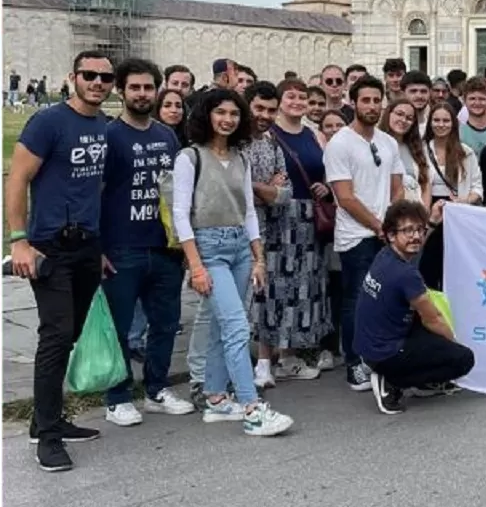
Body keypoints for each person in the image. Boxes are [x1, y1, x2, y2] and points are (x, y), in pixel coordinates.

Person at [5, 51, 113, 472]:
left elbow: (94, 189)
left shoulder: (102, 126)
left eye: (105, 77)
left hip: (88, 245)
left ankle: (44, 419)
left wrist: (99, 247)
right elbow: (18, 178)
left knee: (70, 335)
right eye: (90, 75)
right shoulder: (49, 122)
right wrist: (19, 241)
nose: (98, 82)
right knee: (55, 335)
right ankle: (47, 438)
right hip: (50, 246)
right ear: (73, 77)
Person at [172, 88, 293, 436]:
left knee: (220, 326)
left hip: (240, 245)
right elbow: (181, 215)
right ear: (206, 115)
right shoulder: (189, 158)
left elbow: (248, 212)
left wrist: (259, 257)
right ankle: (252, 407)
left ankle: (215, 398)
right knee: (238, 327)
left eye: (234, 114)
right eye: (220, 112)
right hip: (208, 247)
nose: (227, 119)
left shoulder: (242, 157)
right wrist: (195, 265)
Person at [100, 58, 193, 427]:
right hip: (122, 246)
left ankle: (156, 388)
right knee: (121, 328)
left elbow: (177, 195)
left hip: (164, 245)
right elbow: (97, 192)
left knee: (165, 324)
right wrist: (99, 247)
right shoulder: (110, 135)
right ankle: (117, 396)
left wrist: (184, 245)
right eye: (134, 87)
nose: (142, 94)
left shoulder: (166, 135)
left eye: (148, 87)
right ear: (121, 90)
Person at [324, 75, 406, 392]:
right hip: (357, 237)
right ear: (354, 102)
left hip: (386, 233)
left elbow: (397, 186)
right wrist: (377, 225)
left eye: (376, 100)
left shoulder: (387, 142)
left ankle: (380, 356)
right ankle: (354, 363)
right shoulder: (340, 143)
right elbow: (344, 197)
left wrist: (392, 223)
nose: (372, 106)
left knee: (386, 298)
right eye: (366, 100)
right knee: (356, 298)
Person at [355, 201, 476, 415]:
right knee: (463, 359)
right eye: (408, 230)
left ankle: (420, 381)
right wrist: (453, 345)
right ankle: (393, 380)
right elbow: (433, 319)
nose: (416, 236)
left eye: (419, 230)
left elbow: (415, 253)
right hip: (384, 352)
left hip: (370, 343)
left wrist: (431, 222)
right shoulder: (405, 275)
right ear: (391, 235)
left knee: (430, 336)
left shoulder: (386, 255)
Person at [253, 79, 333, 387]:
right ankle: (264, 359)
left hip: (308, 218)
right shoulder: (269, 135)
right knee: (272, 287)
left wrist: (325, 186)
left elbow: (322, 169)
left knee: (301, 288)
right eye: (291, 96)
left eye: (303, 97)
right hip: (276, 218)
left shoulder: (313, 135)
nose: (297, 102)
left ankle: (288, 356)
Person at [424, 103, 484, 206]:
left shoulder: (466, 152)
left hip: (457, 207)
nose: (441, 124)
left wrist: (465, 201)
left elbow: (477, 187)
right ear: (430, 123)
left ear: (453, 124)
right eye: (436, 120)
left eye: (446, 121)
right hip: (426, 207)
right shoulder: (421, 151)